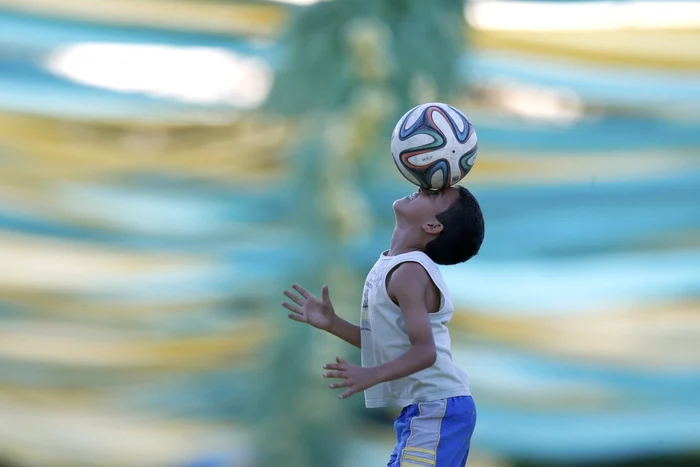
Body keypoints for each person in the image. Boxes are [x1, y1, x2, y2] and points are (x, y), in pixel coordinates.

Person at [282, 184, 485, 466]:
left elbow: (425, 352)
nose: (423, 186)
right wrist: (333, 323)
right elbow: (388, 345)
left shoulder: (409, 273)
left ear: (431, 226)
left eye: (434, 194)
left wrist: (372, 374)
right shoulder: (393, 265)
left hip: (438, 408)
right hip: (427, 408)